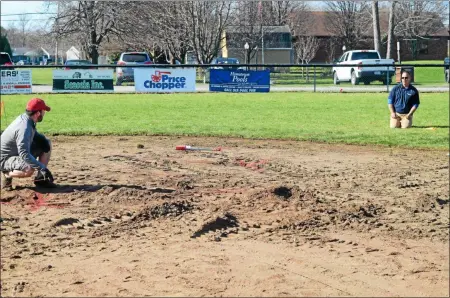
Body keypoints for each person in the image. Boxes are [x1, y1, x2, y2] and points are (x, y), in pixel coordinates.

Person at [0, 98, 56, 190]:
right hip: (4, 159)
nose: (44, 113)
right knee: (29, 168)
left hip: (14, 152)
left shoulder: (27, 118)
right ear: (38, 113)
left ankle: (40, 179)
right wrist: (42, 167)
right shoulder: (24, 128)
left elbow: (34, 134)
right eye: (43, 111)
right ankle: (6, 174)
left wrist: (42, 140)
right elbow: (24, 154)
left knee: (47, 143)